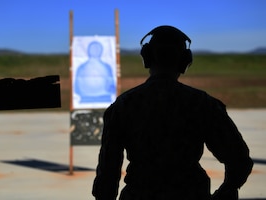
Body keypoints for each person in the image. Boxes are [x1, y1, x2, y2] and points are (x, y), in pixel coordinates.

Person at [92, 25, 253, 200]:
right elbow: (239, 160)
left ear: (147, 58)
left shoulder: (124, 105)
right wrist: (227, 190)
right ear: (185, 61)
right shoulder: (202, 103)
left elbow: (108, 172)